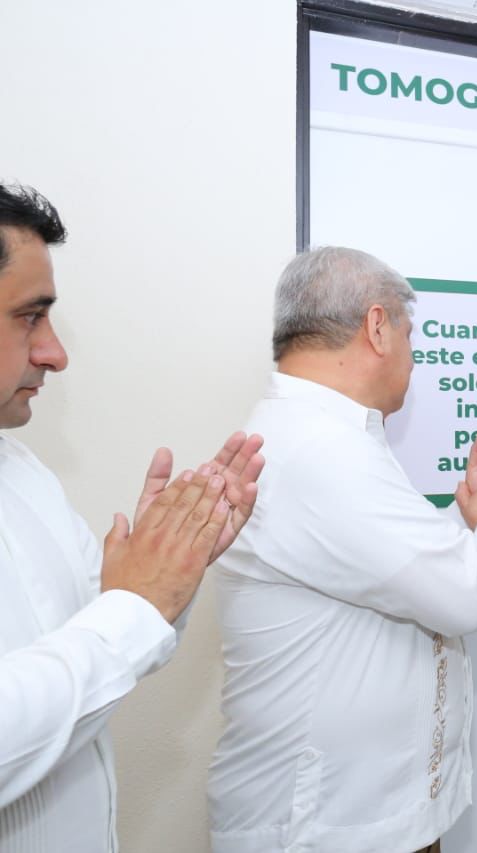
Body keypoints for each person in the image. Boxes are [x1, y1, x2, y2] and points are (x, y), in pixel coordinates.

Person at [207, 247, 477, 853]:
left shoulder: (329, 436)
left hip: (361, 815)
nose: (414, 358)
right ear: (378, 327)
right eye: (411, 336)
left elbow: (378, 569)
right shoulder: (324, 450)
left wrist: (464, 521)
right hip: (330, 828)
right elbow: (464, 597)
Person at [0, 182, 264, 852]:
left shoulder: (23, 471)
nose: (55, 353)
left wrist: (170, 567)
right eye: (29, 317)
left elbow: (111, 626)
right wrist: (136, 603)